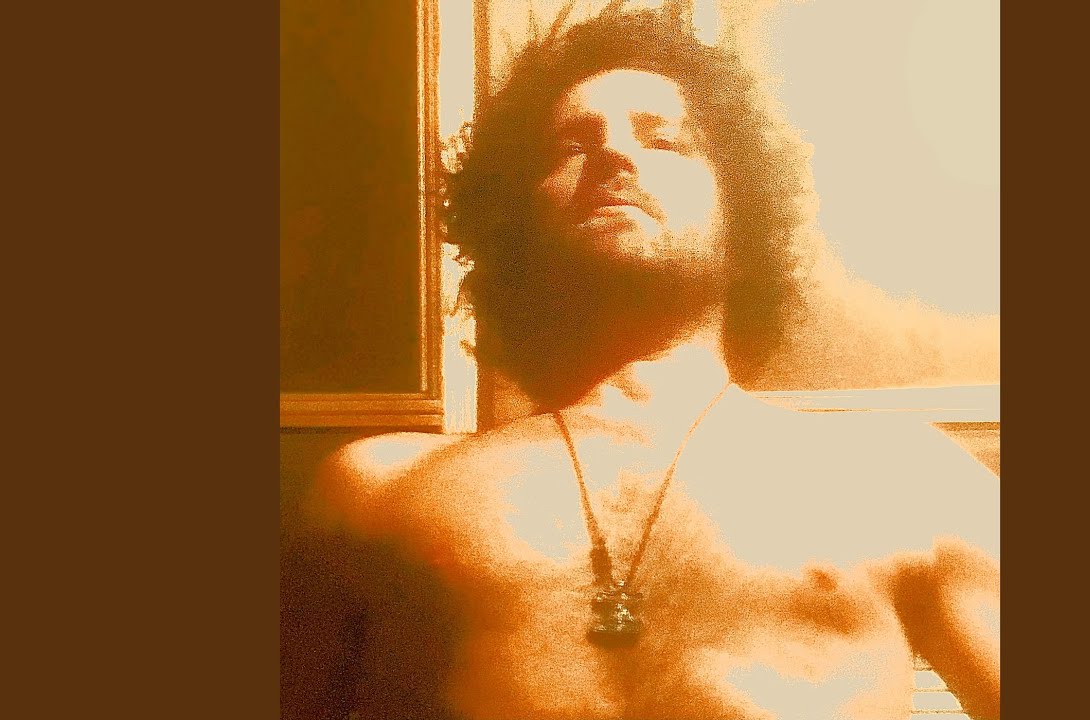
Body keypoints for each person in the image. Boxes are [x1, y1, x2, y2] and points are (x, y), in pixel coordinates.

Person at [302, 5, 999, 719]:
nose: (614, 153)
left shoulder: (904, 480)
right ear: (516, 221)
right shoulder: (378, 490)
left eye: (664, 139)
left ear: (741, 213)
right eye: (571, 146)